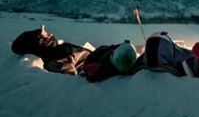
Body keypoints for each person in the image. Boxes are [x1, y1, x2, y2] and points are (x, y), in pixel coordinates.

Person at [11, 26, 139, 82]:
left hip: (101, 56)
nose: (49, 34)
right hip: (101, 64)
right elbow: (71, 80)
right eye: (42, 35)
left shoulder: (59, 49)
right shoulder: (55, 59)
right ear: (38, 43)